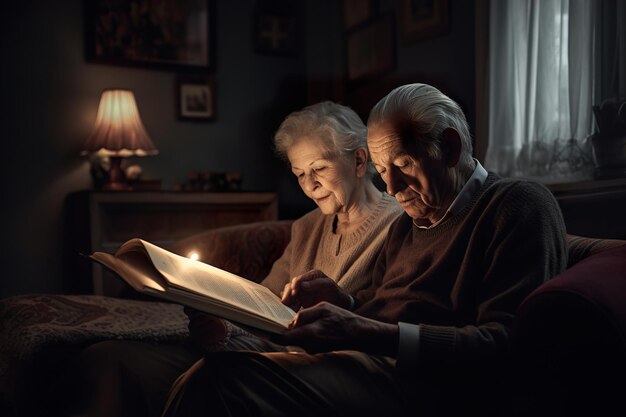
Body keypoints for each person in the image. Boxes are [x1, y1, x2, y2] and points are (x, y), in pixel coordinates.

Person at [162, 83, 568, 417]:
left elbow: (506, 344)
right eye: (382, 169)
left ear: (450, 147)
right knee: (207, 372)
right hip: (369, 363)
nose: (390, 188)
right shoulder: (411, 222)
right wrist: (345, 302)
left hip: (422, 385)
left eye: (403, 164)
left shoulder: (517, 205)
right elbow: (383, 306)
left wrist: (367, 330)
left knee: (217, 383)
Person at [55, 101, 403, 417]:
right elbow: (263, 302)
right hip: (267, 349)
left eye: (319, 168)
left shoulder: (399, 224)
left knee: (206, 380)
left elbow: (388, 323)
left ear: (359, 161)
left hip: (329, 367)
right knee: (110, 360)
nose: (309, 185)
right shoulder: (306, 227)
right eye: (299, 174)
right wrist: (220, 324)